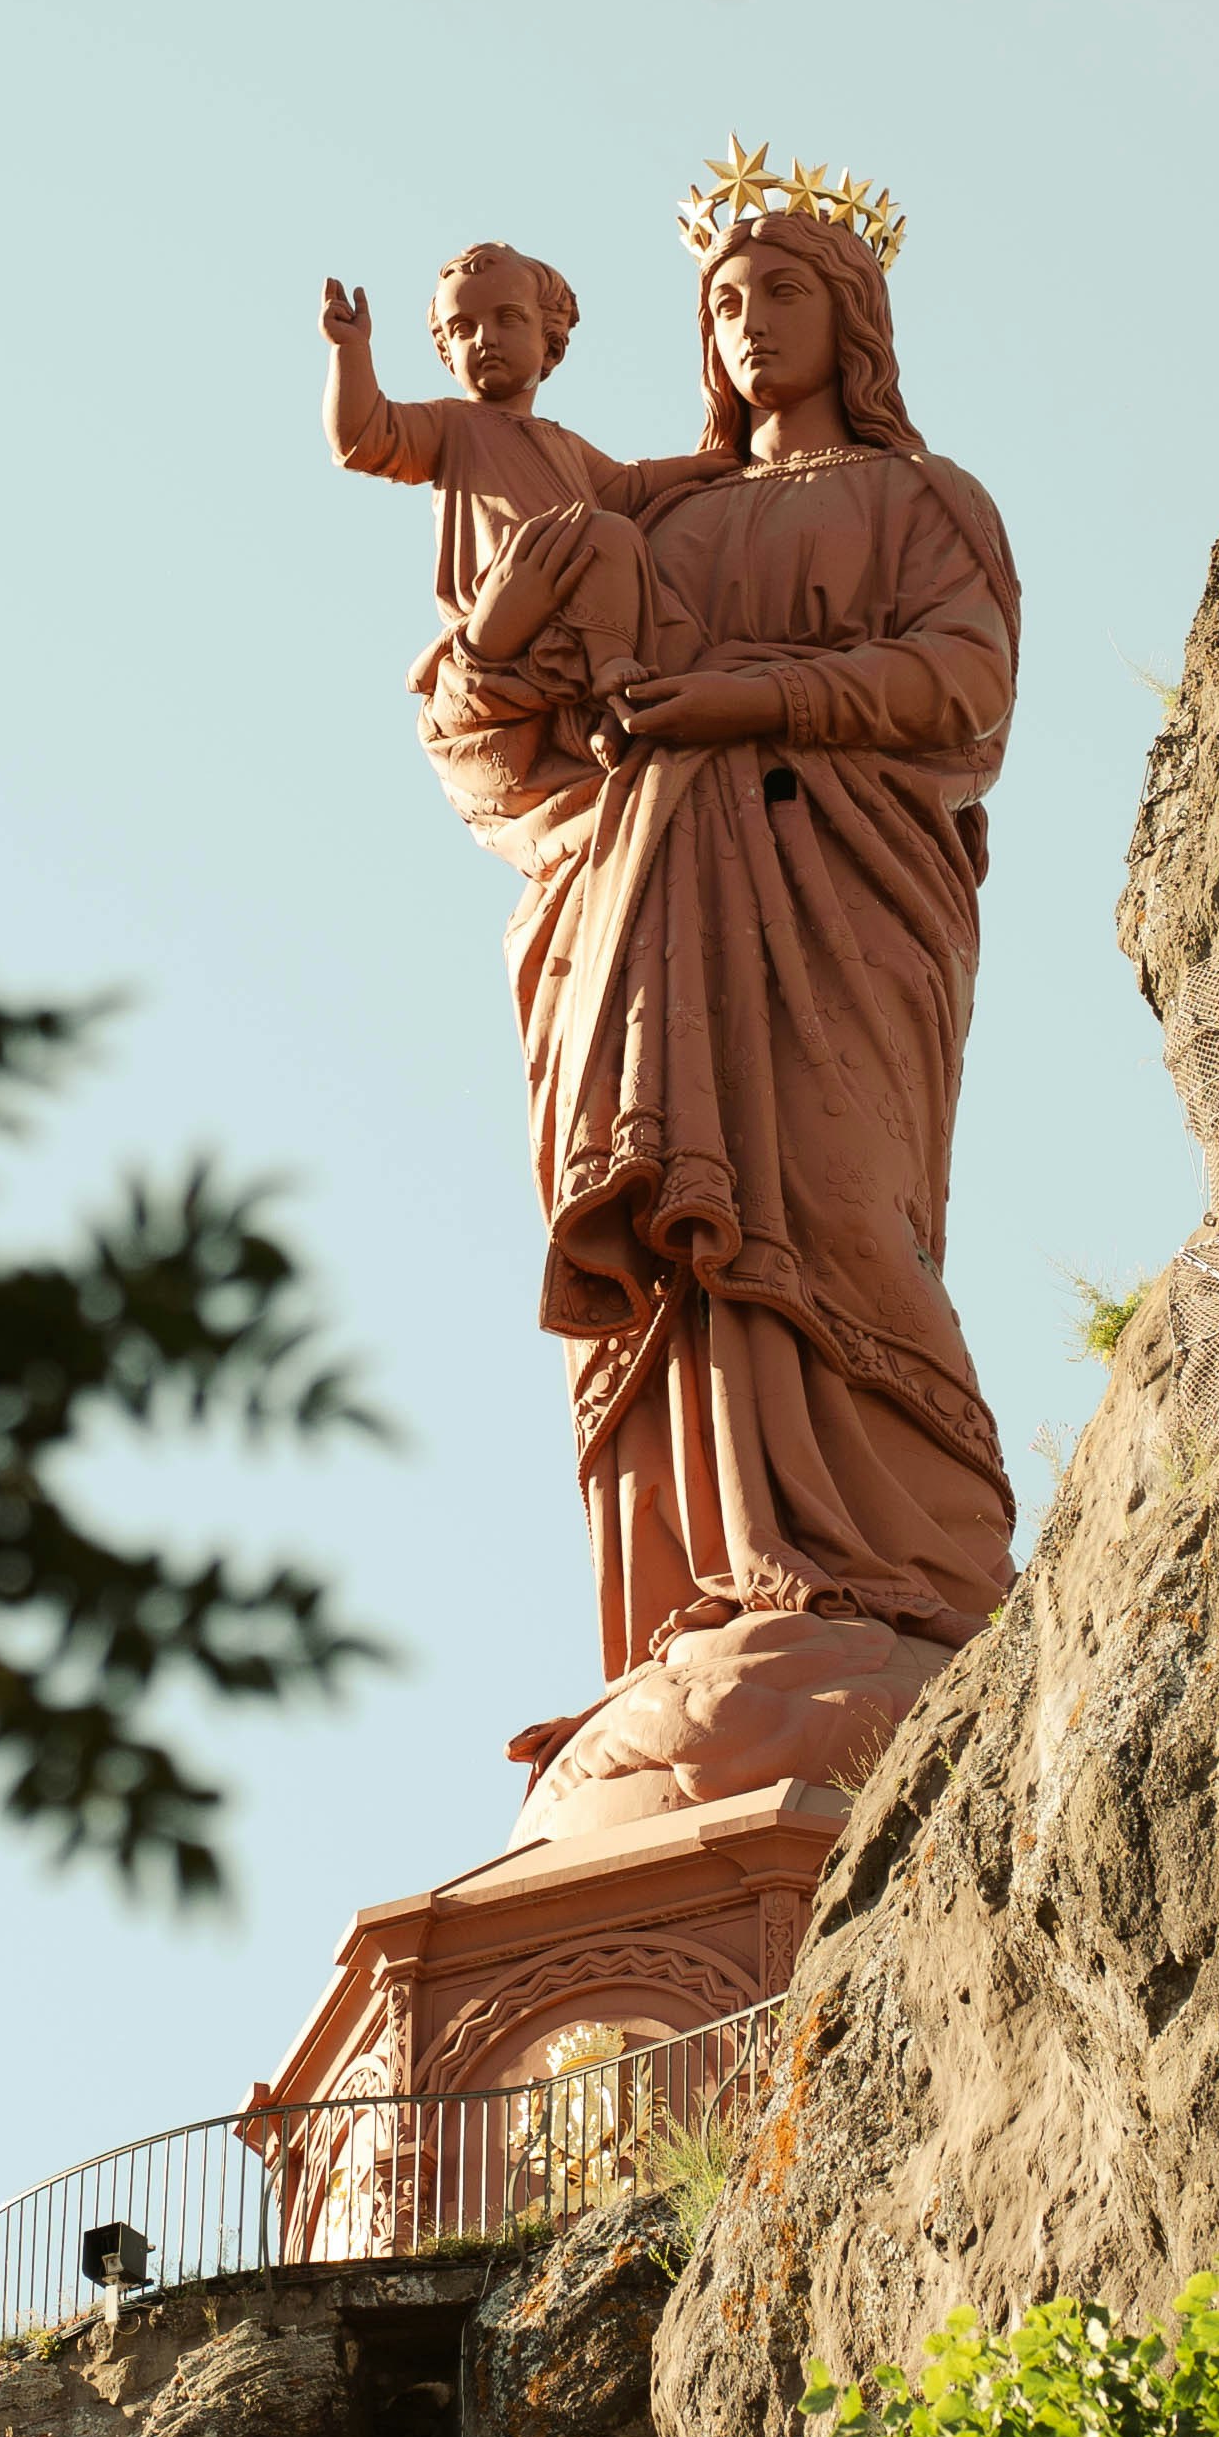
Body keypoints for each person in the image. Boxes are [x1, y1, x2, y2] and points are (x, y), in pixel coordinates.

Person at [494, 150, 1023, 1836]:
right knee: (685, 1249)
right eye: (721, 299)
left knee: (839, 1206)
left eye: (778, 288)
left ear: (848, 314)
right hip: (651, 909)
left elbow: (959, 685)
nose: (744, 319)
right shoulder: (655, 508)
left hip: (838, 891)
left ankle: (895, 1583)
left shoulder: (920, 499)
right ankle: (712, 1595)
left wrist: (736, 696)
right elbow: (506, 689)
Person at [315, 241, 721, 840]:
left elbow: (633, 484)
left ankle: (608, 705)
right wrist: (351, 353)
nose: (485, 338)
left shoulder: (565, 445)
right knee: (609, 533)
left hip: (577, 609)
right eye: (463, 327)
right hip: (508, 610)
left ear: (550, 341)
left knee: (617, 540)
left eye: (508, 319)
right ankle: (609, 675)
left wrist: (713, 462)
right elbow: (362, 436)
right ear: (445, 350)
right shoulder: (450, 423)